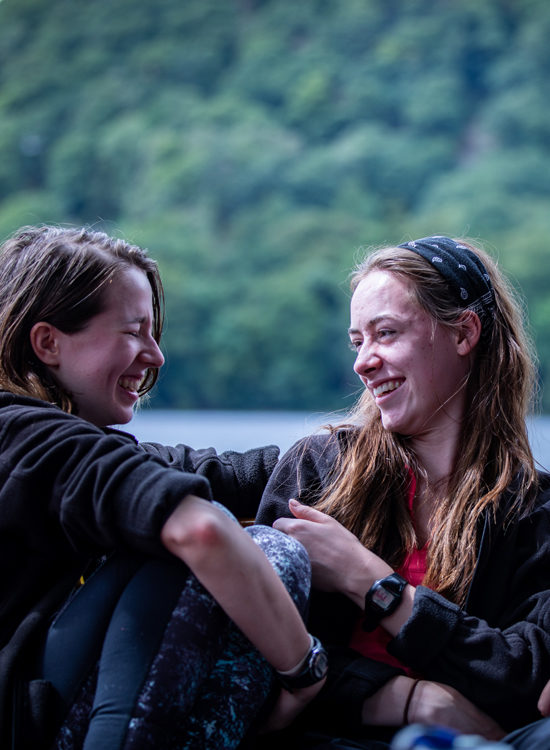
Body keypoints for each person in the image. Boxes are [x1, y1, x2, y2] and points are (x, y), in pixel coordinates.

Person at [0, 225, 328, 750]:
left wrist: (365, 446)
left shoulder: (68, 445)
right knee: (260, 551)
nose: (155, 355)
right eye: (133, 331)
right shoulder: (23, 437)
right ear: (48, 343)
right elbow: (201, 530)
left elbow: (225, 473)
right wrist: (305, 670)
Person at [256, 235, 550, 749]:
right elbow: (261, 652)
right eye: (357, 342)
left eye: (385, 334)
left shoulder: (533, 509)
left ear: (464, 333)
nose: (362, 363)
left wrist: (372, 582)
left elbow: (524, 677)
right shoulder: (321, 470)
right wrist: (410, 698)